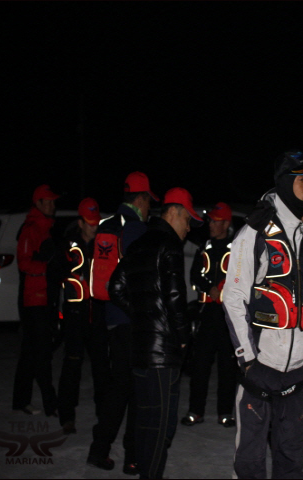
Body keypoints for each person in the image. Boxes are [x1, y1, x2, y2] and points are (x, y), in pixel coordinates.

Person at [223, 151, 303, 479]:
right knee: (250, 463)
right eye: (301, 179)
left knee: (291, 461)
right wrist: (248, 360)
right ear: (285, 182)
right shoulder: (256, 229)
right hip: (260, 371)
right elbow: (233, 297)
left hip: (297, 374)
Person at [109, 187, 202, 480]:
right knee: (161, 424)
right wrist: (183, 338)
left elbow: (115, 288)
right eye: (187, 219)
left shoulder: (139, 243)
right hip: (162, 351)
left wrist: (143, 315)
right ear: (172, 212)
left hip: (140, 345)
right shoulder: (169, 244)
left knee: (145, 418)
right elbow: (175, 297)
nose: (189, 228)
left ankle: (144, 470)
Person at [87, 172, 159, 475]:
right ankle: (130, 455)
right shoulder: (136, 229)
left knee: (120, 386)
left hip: (112, 318)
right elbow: (142, 278)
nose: (149, 208)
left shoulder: (107, 225)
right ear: (140, 199)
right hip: (132, 319)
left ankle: (101, 449)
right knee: (134, 390)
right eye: (148, 202)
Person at [53, 198, 111, 435]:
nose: (94, 227)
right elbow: (55, 276)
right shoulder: (66, 245)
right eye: (89, 222)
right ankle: (67, 416)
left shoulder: (104, 244)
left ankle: (104, 414)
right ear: (80, 222)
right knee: (72, 364)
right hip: (75, 314)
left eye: (96, 222)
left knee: (101, 367)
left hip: (98, 313)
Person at [181, 202, 238, 428]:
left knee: (227, 367)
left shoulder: (237, 249)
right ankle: (196, 411)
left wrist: (222, 290)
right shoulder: (204, 246)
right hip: (206, 314)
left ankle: (225, 412)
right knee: (200, 365)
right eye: (211, 220)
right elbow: (195, 275)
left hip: (228, 316)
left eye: (216, 221)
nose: (211, 224)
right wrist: (209, 287)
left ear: (226, 224)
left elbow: (242, 278)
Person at [12, 184, 60, 417]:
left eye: (53, 201)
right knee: (41, 352)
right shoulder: (31, 229)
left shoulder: (45, 228)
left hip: (43, 297)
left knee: (30, 352)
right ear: (38, 203)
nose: (52, 205)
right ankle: (51, 404)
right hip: (33, 300)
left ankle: (21, 400)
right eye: (48, 201)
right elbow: (24, 263)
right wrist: (45, 266)